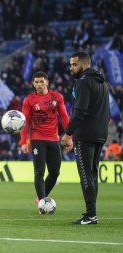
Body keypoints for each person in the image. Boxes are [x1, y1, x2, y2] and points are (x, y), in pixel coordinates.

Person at [61, 52, 110, 225]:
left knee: (85, 175)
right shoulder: (102, 82)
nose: (71, 68)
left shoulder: (82, 82)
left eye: (74, 64)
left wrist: (68, 133)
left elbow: (79, 111)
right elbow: (106, 111)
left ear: (84, 64)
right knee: (92, 175)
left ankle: (91, 215)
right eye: (70, 64)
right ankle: (92, 213)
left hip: (86, 134)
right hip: (100, 134)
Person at [20, 71, 72, 213]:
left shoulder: (57, 97)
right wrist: (23, 141)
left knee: (55, 172)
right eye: (36, 82)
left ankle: (40, 198)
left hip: (53, 139)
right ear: (33, 83)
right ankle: (42, 202)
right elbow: (24, 121)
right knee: (39, 172)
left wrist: (69, 136)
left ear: (47, 82)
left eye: (41, 81)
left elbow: (64, 116)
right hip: (37, 139)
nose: (38, 84)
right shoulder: (29, 100)